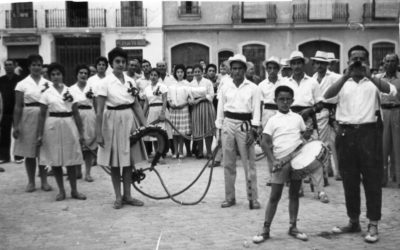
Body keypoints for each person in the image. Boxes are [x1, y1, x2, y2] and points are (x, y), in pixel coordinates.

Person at [325, 45, 397, 243]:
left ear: (367, 61)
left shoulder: (373, 82)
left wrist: (370, 75)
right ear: (347, 61)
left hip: (369, 134)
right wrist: (345, 76)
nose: (357, 62)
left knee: (373, 180)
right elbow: (327, 96)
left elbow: (391, 92)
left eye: (361, 58)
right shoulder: (342, 82)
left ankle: (373, 223)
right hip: (346, 134)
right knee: (349, 180)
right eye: (353, 58)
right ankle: (353, 220)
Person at [253, 85, 309, 243]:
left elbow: (303, 136)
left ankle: (293, 226)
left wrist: (305, 146)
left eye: (288, 99)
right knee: (274, 196)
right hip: (280, 162)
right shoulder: (272, 120)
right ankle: (265, 229)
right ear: (275, 101)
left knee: (294, 194)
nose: (285, 102)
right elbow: (264, 142)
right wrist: (273, 160)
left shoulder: (298, 118)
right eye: (281, 99)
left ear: (292, 100)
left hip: (297, 162)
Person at [96, 47, 147, 209]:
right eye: (117, 61)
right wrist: (99, 134)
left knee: (127, 161)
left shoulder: (131, 81)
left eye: (123, 62)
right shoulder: (104, 83)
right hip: (112, 121)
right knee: (116, 162)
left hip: (128, 119)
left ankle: (128, 195)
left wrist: (146, 126)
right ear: (111, 63)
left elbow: (137, 105)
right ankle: (118, 197)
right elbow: (99, 111)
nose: (120, 64)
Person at [282, 51, 328, 203]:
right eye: (293, 63)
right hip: (291, 120)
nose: (296, 66)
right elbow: (280, 103)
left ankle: (320, 190)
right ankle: (298, 187)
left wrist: (310, 110)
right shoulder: (285, 82)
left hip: (309, 119)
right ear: (290, 65)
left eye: (299, 63)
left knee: (314, 154)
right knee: (294, 154)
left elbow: (321, 104)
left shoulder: (312, 82)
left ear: (303, 64)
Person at [216, 54, 261, 209]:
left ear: (245, 70)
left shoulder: (254, 88)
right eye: (234, 68)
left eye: (239, 69)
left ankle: (253, 198)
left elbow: (256, 111)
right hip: (228, 124)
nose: (236, 72)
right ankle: (230, 197)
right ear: (230, 70)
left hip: (245, 124)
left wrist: (254, 130)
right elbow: (220, 109)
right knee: (228, 164)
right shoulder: (225, 87)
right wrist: (219, 129)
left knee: (249, 163)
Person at [37, 63, 86, 201]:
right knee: (55, 159)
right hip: (52, 125)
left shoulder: (70, 92)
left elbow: (76, 113)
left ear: (63, 75)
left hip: (68, 124)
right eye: (53, 74)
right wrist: (40, 134)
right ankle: (61, 191)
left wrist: (81, 133)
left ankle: (74, 190)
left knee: (71, 159)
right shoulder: (46, 93)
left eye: (58, 74)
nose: (56, 77)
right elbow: (41, 115)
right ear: (49, 76)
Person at [13, 54, 52, 192]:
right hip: (28, 115)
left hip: (45, 116)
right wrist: (16, 125)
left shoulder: (48, 84)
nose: (36, 67)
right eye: (34, 65)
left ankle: (44, 181)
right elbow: (18, 106)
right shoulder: (22, 84)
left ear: (42, 67)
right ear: (29, 67)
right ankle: (31, 181)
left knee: (43, 150)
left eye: (39, 65)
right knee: (29, 151)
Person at [311, 51, 341, 181]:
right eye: (317, 63)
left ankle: (335, 171)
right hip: (316, 111)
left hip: (330, 110)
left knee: (331, 143)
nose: (319, 66)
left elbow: (341, 91)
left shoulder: (334, 77)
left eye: (322, 63)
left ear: (327, 64)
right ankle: (326, 170)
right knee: (320, 142)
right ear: (314, 64)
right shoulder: (312, 79)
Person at [258, 56, 283, 185]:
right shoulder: (262, 85)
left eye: (274, 68)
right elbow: (260, 105)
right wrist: (259, 124)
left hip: (281, 113)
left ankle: (285, 175)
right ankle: (272, 175)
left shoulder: (284, 82)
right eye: (269, 68)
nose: (272, 71)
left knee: (282, 144)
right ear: (266, 70)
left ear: (278, 69)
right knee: (268, 146)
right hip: (267, 114)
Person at [376, 53, 400, 188]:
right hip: (382, 112)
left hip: (397, 111)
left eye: (393, 61)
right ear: (383, 63)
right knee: (382, 147)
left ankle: (398, 177)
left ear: (397, 63)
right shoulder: (378, 79)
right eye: (387, 61)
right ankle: (382, 178)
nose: (390, 64)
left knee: (398, 147)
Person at [70, 64, 97, 182]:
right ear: (76, 75)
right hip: (76, 116)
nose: (83, 75)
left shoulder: (92, 88)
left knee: (89, 144)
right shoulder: (71, 89)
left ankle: (88, 172)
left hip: (89, 115)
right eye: (81, 73)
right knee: (77, 144)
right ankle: (77, 171)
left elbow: (96, 105)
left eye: (85, 73)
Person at [143, 69, 172, 164]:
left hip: (160, 110)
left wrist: (163, 113)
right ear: (149, 76)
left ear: (158, 76)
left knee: (161, 134)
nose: (153, 77)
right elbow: (146, 103)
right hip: (151, 111)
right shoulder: (147, 89)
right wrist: (142, 116)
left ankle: (161, 156)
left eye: (155, 75)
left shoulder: (162, 87)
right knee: (153, 135)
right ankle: (156, 155)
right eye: (151, 75)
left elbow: (164, 100)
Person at [189, 64, 215, 159]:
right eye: (195, 72)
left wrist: (200, 99)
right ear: (193, 73)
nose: (197, 73)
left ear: (202, 72)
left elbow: (211, 95)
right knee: (198, 129)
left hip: (206, 106)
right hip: (196, 108)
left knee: (208, 129)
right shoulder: (191, 84)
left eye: (199, 71)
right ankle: (200, 151)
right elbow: (189, 96)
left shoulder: (207, 82)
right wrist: (190, 100)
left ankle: (209, 151)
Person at [0, 59, 23, 164]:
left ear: (14, 66)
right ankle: (4, 156)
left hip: (17, 110)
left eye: (10, 64)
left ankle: (19, 156)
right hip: (5, 111)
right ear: (4, 67)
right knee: (4, 134)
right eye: (6, 65)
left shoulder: (20, 80)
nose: (8, 66)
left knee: (18, 133)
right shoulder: (1, 80)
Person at [168, 64, 192, 159]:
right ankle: (175, 151)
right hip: (173, 110)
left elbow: (190, 97)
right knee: (174, 132)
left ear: (184, 73)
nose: (180, 74)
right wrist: (170, 104)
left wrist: (184, 104)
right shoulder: (172, 85)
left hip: (183, 109)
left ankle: (181, 151)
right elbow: (169, 97)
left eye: (181, 72)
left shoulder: (187, 84)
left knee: (181, 133)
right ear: (175, 73)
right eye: (178, 72)